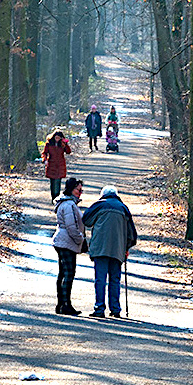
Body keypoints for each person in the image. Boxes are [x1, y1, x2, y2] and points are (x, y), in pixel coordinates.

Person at [82, 185, 138, 318]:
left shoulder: (99, 205)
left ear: (103, 195)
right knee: (115, 280)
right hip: (117, 250)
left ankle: (99, 309)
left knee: (100, 279)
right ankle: (115, 309)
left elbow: (86, 220)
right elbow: (132, 235)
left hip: (100, 249)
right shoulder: (123, 208)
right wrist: (126, 248)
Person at [51, 178, 85, 316]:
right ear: (71, 189)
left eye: (81, 190)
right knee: (68, 274)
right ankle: (65, 305)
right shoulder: (69, 204)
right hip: (66, 242)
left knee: (63, 273)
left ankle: (61, 304)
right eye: (78, 190)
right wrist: (80, 240)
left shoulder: (67, 203)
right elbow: (72, 227)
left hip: (63, 241)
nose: (80, 193)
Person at [41, 130, 71, 202]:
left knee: (58, 182)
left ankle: (57, 198)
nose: (57, 139)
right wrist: (45, 160)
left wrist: (66, 144)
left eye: (58, 138)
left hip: (60, 165)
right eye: (56, 138)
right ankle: (53, 197)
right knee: (52, 182)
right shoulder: (49, 144)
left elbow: (68, 152)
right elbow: (44, 153)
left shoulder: (62, 144)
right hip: (51, 164)